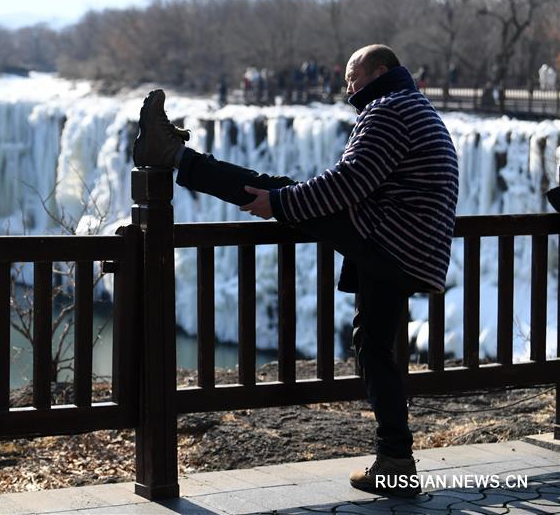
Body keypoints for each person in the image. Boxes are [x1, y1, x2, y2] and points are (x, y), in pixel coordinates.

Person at [132, 44, 459, 497]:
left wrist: (281, 205)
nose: (348, 84)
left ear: (382, 71)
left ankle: (171, 154)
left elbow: (349, 182)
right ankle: (396, 461)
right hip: (408, 243)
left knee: (276, 191)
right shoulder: (412, 106)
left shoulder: (389, 110)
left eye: (354, 75)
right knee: (374, 342)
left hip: (391, 240)